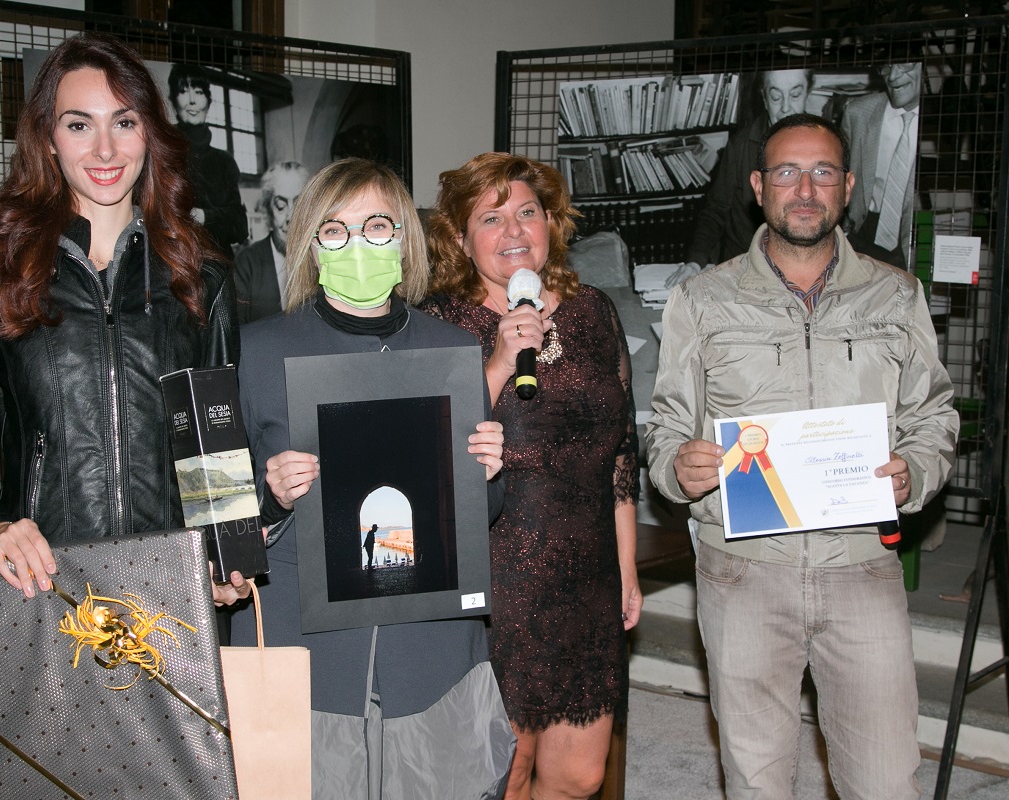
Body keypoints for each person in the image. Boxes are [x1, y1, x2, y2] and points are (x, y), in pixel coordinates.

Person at [646, 113, 958, 798]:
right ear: (759, 187)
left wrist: (915, 471)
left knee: (885, 781)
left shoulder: (896, 294)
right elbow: (666, 426)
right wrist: (676, 468)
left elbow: (934, 416)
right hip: (743, 573)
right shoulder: (702, 300)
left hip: (862, 567)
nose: (806, 190)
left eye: (823, 172)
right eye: (787, 172)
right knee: (756, 780)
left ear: (848, 186)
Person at [0, 32, 249, 612]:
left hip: (169, 595)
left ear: (149, 133)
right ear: (49, 138)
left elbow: (216, 447)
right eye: (78, 125)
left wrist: (227, 555)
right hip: (46, 591)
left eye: (124, 122)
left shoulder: (201, 275)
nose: (105, 150)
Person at [233, 157, 515, 798]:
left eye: (377, 226)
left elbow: (481, 512)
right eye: (335, 230)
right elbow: (217, 518)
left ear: (404, 238)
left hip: (429, 647)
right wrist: (271, 500)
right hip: (307, 650)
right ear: (310, 244)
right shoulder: (255, 352)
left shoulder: (452, 350)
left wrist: (487, 471)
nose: (357, 244)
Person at [420, 152, 642, 800]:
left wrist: (627, 566)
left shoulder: (593, 312)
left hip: (589, 576)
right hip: (499, 585)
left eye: (527, 212)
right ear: (461, 239)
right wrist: (498, 358)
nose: (514, 231)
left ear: (551, 222)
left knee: (580, 776)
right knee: (504, 774)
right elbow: (430, 454)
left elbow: (621, 449)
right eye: (490, 219)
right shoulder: (437, 324)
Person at [673, 68, 811, 287]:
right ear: (764, 98)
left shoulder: (827, 147)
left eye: (795, 95)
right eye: (776, 97)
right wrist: (695, 262)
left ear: (808, 94)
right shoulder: (740, 146)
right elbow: (715, 212)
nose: (786, 107)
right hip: (744, 269)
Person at [842, 63, 923, 269]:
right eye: (886, 67)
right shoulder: (858, 113)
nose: (893, 76)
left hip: (918, 233)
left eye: (905, 64)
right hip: (864, 232)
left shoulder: (949, 117)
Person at [167, 63, 249, 254]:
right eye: (183, 92)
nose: (192, 101)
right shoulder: (163, 155)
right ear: (173, 100)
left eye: (199, 92)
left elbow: (240, 227)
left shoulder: (224, 162)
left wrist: (204, 216)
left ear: (209, 101)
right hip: (176, 260)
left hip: (220, 263)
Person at [233, 160, 310, 322]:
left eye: (298, 205)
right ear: (269, 210)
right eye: (281, 206)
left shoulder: (322, 258)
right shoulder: (246, 264)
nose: (290, 217)